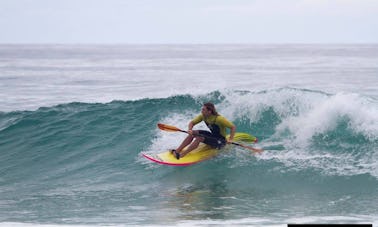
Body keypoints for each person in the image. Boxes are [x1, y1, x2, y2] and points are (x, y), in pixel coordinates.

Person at [171, 102, 236, 159]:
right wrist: (190, 130)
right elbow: (192, 123)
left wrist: (230, 139)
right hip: (212, 136)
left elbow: (233, 127)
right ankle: (177, 151)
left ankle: (183, 154)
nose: (201, 111)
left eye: (203, 109)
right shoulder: (203, 116)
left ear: (209, 111)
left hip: (220, 141)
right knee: (193, 133)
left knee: (199, 138)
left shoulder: (219, 119)